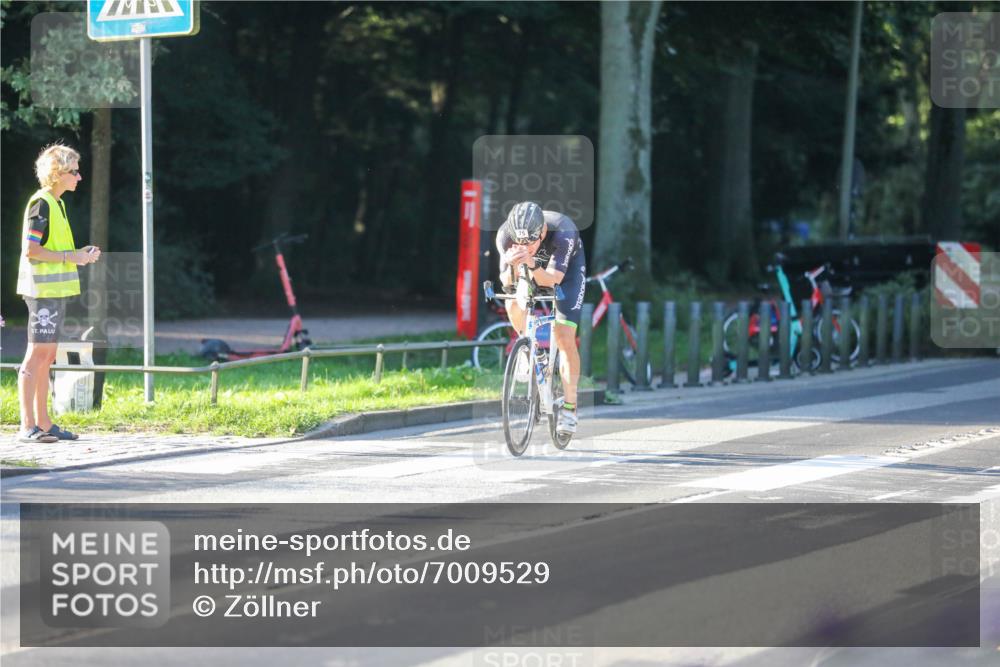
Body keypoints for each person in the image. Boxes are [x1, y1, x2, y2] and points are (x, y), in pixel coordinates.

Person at [15, 144, 101, 443]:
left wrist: (77, 254)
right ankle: (28, 426)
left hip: (54, 292)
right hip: (41, 293)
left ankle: (44, 423)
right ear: (57, 173)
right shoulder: (41, 203)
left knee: (48, 355)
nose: (79, 176)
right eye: (73, 171)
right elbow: (32, 250)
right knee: (36, 355)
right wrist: (72, 256)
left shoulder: (58, 203)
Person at [496, 202, 586, 434]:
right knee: (512, 300)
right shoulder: (505, 235)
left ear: (543, 231)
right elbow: (506, 281)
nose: (525, 246)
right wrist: (515, 265)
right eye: (520, 243)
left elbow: (553, 279)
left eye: (531, 242)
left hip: (565, 274)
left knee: (564, 337)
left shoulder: (563, 231)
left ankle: (569, 409)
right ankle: (528, 348)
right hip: (530, 269)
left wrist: (530, 261)